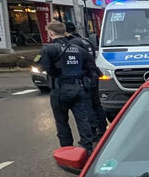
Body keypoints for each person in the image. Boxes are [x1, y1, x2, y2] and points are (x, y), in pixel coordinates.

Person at [40, 21, 98, 152]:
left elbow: (44, 67)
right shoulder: (78, 49)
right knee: (83, 119)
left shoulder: (49, 49)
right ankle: (87, 148)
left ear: (51, 33)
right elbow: (89, 67)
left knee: (62, 121)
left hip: (60, 89)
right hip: (78, 87)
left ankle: (66, 150)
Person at [67, 22, 107, 139]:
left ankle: (93, 130)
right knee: (96, 103)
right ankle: (102, 126)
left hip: (85, 76)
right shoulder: (86, 40)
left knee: (87, 104)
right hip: (94, 74)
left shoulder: (73, 43)